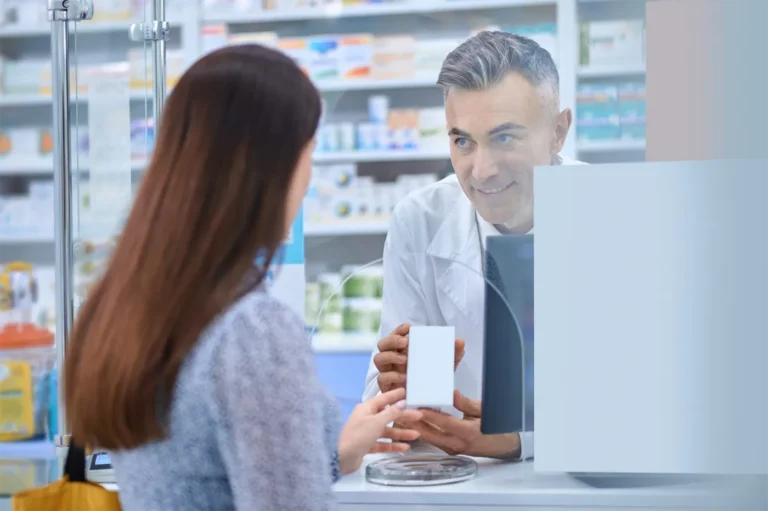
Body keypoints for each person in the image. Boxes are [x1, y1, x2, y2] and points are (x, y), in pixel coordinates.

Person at [63, 44, 422, 511]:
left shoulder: (131, 308)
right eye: (309, 150)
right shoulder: (252, 331)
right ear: (271, 167)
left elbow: (205, 476)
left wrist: (329, 455)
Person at [363, 31, 585, 460]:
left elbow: (650, 406)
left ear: (558, 132)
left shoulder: (613, 212)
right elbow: (389, 411)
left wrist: (521, 440)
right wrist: (397, 386)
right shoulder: (420, 221)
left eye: (505, 137)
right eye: (462, 140)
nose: (480, 171)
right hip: (460, 480)